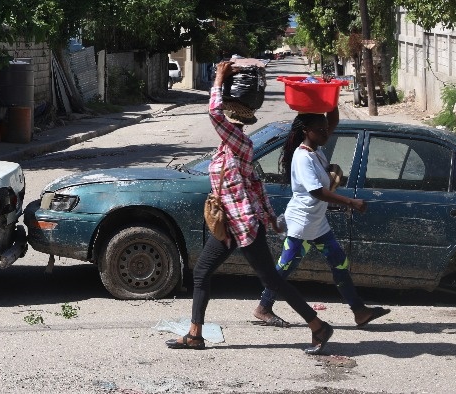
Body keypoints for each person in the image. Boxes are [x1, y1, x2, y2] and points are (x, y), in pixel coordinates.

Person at [167, 61, 334, 353]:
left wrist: (218, 78)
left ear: (232, 121)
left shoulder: (238, 141)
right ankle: (195, 334)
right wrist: (270, 217)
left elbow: (213, 112)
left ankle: (318, 326)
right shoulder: (232, 146)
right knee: (203, 273)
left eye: (227, 120)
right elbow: (255, 184)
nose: (224, 125)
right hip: (235, 224)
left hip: (242, 225)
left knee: (271, 280)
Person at [252, 109, 391, 328]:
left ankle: (359, 311)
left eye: (326, 129)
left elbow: (332, 120)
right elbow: (315, 191)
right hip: (302, 223)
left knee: (339, 263)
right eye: (321, 130)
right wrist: (350, 202)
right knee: (285, 267)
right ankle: (263, 307)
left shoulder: (316, 150)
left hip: (317, 222)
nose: (326, 133)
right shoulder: (303, 157)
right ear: (307, 131)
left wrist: (330, 99)